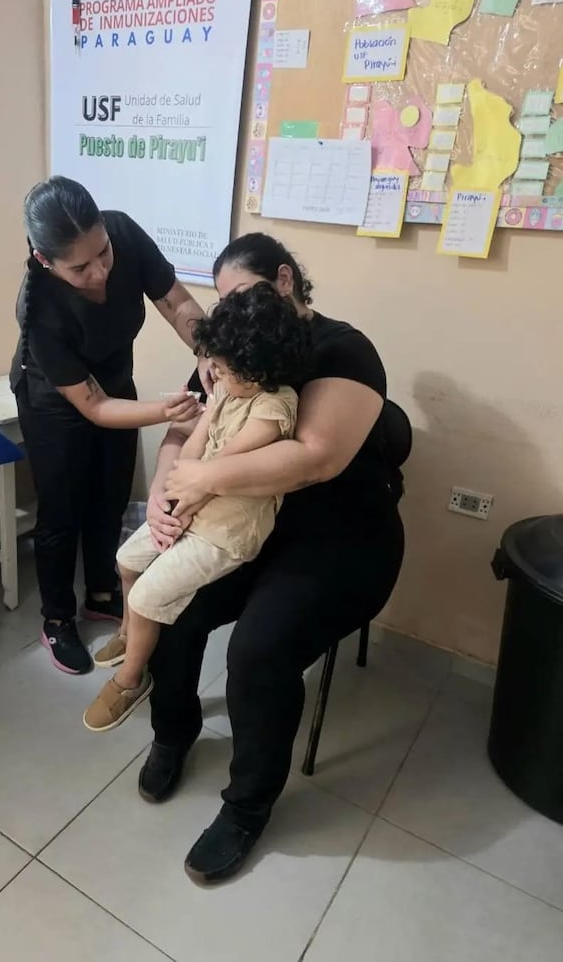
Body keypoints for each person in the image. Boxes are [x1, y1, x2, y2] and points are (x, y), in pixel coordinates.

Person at [134, 233, 405, 886]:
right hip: (250, 524)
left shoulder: (342, 349)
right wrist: (162, 494)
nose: (227, 315)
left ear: (284, 281)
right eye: (222, 303)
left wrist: (203, 481)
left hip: (341, 537)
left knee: (257, 649)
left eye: (240, 297)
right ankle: (173, 730)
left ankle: (248, 803)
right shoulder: (238, 340)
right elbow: (184, 428)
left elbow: (318, 458)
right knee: (171, 599)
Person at [10, 176, 213, 676]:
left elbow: (178, 304)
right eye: (79, 267)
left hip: (115, 383)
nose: (99, 271)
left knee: (111, 492)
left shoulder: (123, 234)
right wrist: (167, 412)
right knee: (62, 510)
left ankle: (102, 591)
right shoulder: (40, 310)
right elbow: (95, 408)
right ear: (45, 260)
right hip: (57, 403)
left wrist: (209, 350)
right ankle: (57, 618)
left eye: (102, 253)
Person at [83, 285, 307, 732]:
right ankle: (130, 635)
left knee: (148, 596)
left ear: (257, 369)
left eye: (222, 368)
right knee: (125, 562)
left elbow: (223, 471)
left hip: (227, 529)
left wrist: (181, 507)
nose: (213, 375)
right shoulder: (227, 389)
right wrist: (171, 505)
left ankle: (132, 681)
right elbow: (191, 455)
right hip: (193, 503)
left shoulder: (275, 406)